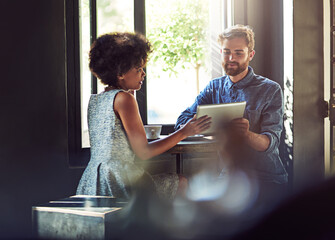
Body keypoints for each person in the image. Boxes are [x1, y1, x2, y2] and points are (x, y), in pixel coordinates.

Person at [76, 32, 211, 200]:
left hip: (94, 182)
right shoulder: (124, 99)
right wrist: (185, 131)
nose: (143, 74)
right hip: (121, 182)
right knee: (182, 182)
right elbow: (144, 152)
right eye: (138, 69)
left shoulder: (96, 100)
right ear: (120, 73)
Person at [175, 25, 288, 204]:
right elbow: (181, 120)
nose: (231, 58)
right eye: (226, 52)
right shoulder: (214, 87)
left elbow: (269, 143)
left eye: (238, 53)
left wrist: (246, 134)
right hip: (228, 176)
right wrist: (193, 125)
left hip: (266, 177)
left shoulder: (270, 89)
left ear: (251, 54)